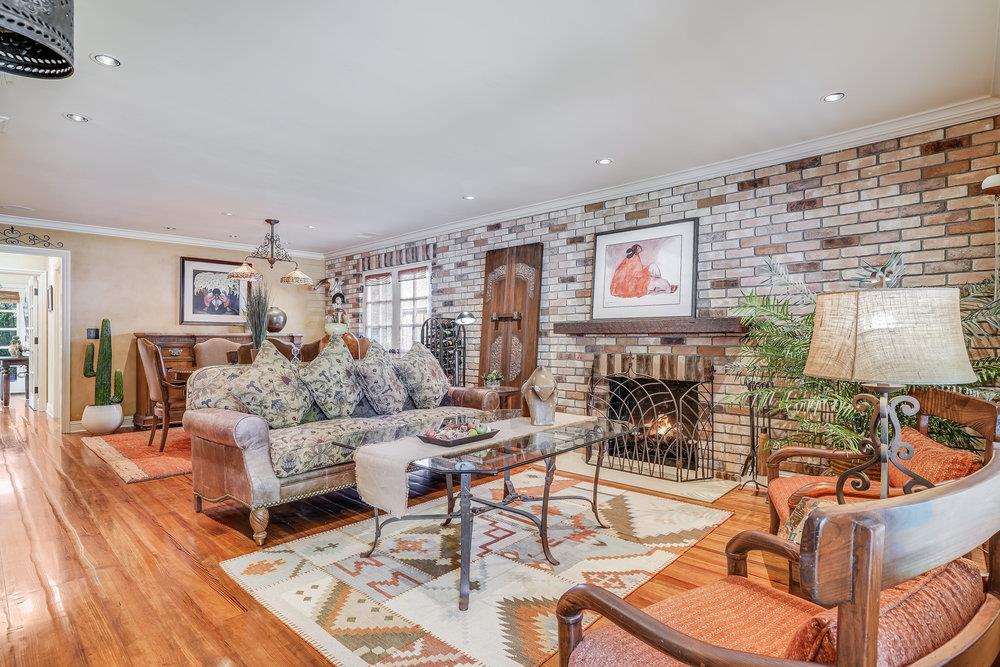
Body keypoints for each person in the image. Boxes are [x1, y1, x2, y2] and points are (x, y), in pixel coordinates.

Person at [609, 244, 677, 298]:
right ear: (636, 250)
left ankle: (664, 289)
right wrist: (647, 273)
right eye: (639, 250)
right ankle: (668, 289)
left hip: (640, 283)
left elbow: (636, 272)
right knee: (661, 281)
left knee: (655, 275)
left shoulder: (627, 260)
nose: (639, 252)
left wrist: (647, 272)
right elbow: (636, 274)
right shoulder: (634, 259)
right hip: (640, 284)